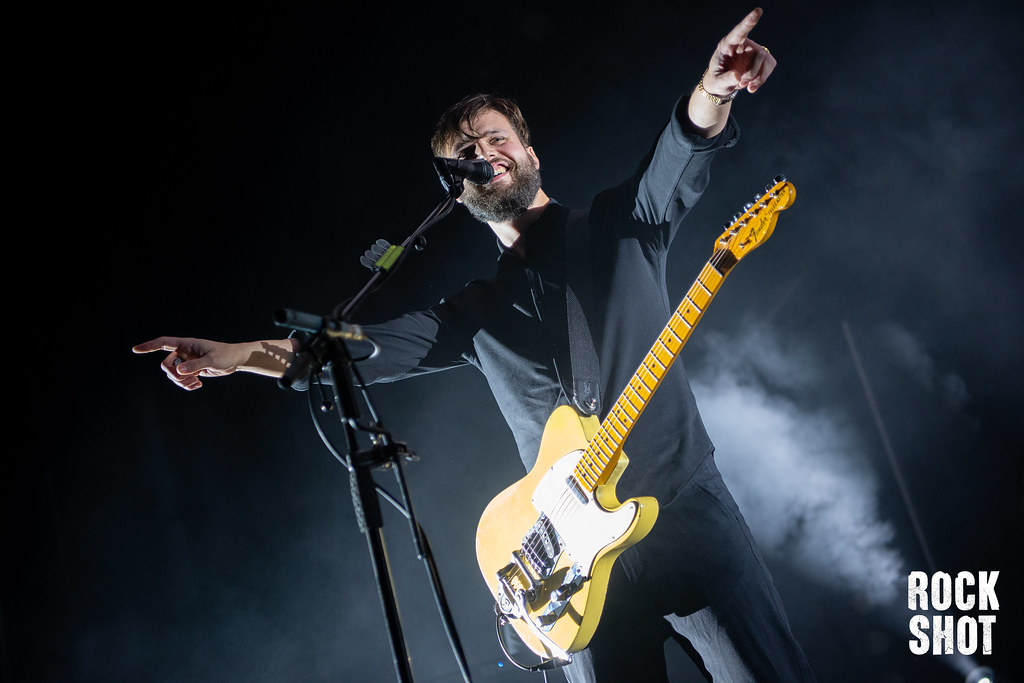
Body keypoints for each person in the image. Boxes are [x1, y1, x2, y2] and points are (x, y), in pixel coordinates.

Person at [135, 8, 816, 682]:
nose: (485, 156)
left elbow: (680, 150)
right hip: (568, 566)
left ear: (530, 153)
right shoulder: (475, 313)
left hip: (684, 514)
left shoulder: (622, 225)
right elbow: (352, 351)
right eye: (466, 157)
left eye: (496, 139)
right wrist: (234, 354)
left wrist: (714, 88)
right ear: (456, 192)